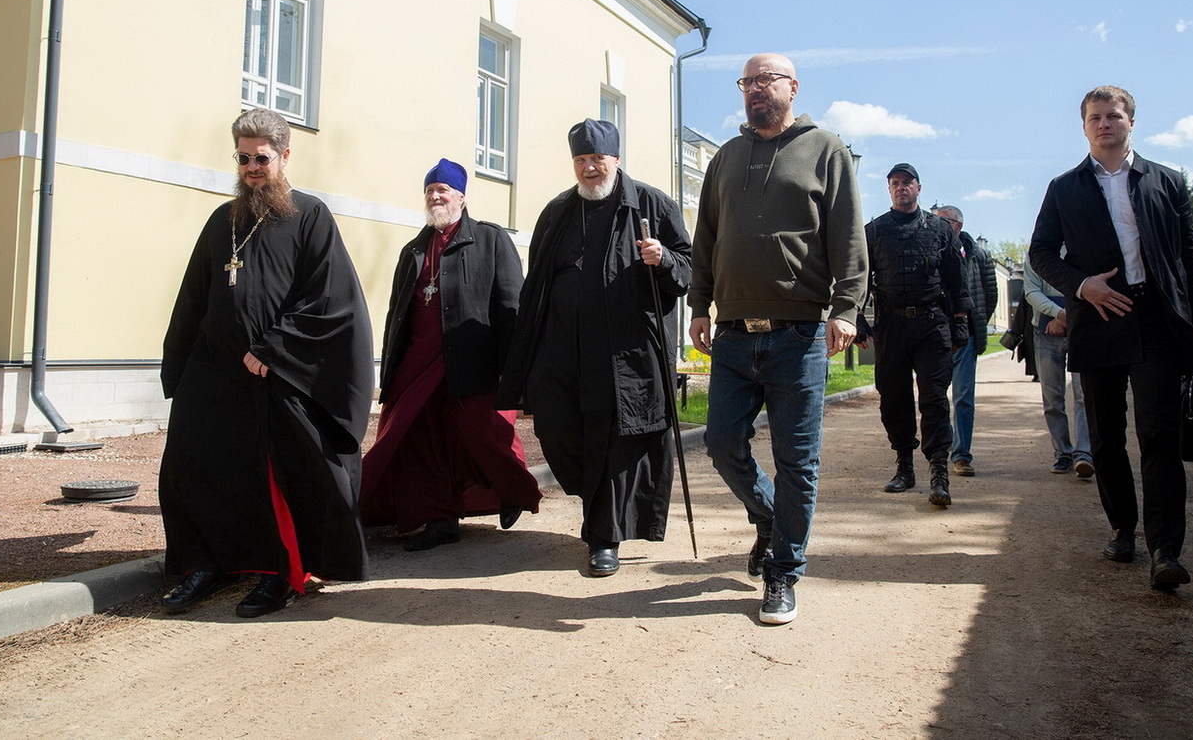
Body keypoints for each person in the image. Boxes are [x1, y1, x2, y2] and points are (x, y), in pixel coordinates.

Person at [159, 108, 375, 618]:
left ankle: (280, 573)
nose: (252, 168)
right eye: (243, 159)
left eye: (261, 158)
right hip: (216, 369)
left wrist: (272, 349)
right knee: (195, 461)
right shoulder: (222, 221)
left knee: (278, 476)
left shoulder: (310, 215)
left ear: (284, 156)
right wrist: (182, 366)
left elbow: (330, 297)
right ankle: (207, 564)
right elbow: (194, 295)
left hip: (277, 372)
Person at [690, 53, 868, 626]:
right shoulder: (726, 157)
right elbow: (705, 237)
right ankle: (769, 516)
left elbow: (848, 236)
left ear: (793, 87)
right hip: (733, 333)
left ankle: (783, 572)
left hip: (799, 334)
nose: (754, 89)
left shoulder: (826, 150)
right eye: (747, 81)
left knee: (798, 461)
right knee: (721, 443)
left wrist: (846, 308)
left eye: (765, 80)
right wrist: (698, 305)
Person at [1029, 85, 1193, 591]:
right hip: (1097, 320)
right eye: (1095, 117)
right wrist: (1081, 286)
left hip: (1155, 318)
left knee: (1159, 433)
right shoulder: (1064, 188)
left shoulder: (1167, 181)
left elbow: (1190, 254)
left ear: (1131, 121)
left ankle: (1166, 549)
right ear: (1084, 126)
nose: (1104, 124)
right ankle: (1122, 530)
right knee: (1106, 437)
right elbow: (1040, 253)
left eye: (1113, 116)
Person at [497, 119, 692, 579]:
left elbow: (689, 270)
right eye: (581, 160)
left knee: (610, 442)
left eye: (597, 159)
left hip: (622, 353)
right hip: (561, 348)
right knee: (557, 428)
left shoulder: (651, 205)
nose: (589, 168)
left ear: (616, 160)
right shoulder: (557, 211)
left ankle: (603, 536)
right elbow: (538, 281)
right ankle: (598, 508)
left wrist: (663, 259)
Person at [360, 159, 541, 551]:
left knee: (482, 432)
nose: (435, 197)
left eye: (443, 190)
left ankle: (511, 490)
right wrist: (390, 368)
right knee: (421, 438)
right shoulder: (413, 249)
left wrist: (514, 369)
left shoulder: (490, 240)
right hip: (418, 363)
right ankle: (440, 519)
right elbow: (396, 314)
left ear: (461, 196)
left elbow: (512, 306)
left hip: (474, 360)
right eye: (430, 191)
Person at [858, 164, 970, 509]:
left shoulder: (940, 229)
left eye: (907, 182)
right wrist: (857, 316)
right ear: (889, 189)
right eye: (895, 183)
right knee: (894, 397)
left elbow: (957, 279)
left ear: (919, 188)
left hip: (931, 324)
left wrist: (960, 321)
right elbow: (859, 277)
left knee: (934, 398)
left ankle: (939, 472)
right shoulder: (874, 231)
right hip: (891, 326)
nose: (901, 188)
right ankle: (904, 467)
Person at [933, 205, 999, 476]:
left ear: (958, 226)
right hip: (935, 334)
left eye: (943, 222)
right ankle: (940, 449)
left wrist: (975, 321)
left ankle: (961, 455)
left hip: (965, 336)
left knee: (963, 397)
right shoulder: (930, 250)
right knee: (935, 396)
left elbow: (990, 294)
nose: (937, 226)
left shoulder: (978, 255)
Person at [1021, 255, 1094, 478]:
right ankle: (1063, 453)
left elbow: (1089, 284)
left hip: (1082, 326)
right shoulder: (1036, 254)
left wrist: (1069, 317)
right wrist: (1060, 314)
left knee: (1084, 394)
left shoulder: (1080, 246)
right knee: (1052, 397)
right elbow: (1032, 292)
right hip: (1045, 331)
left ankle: (1084, 453)